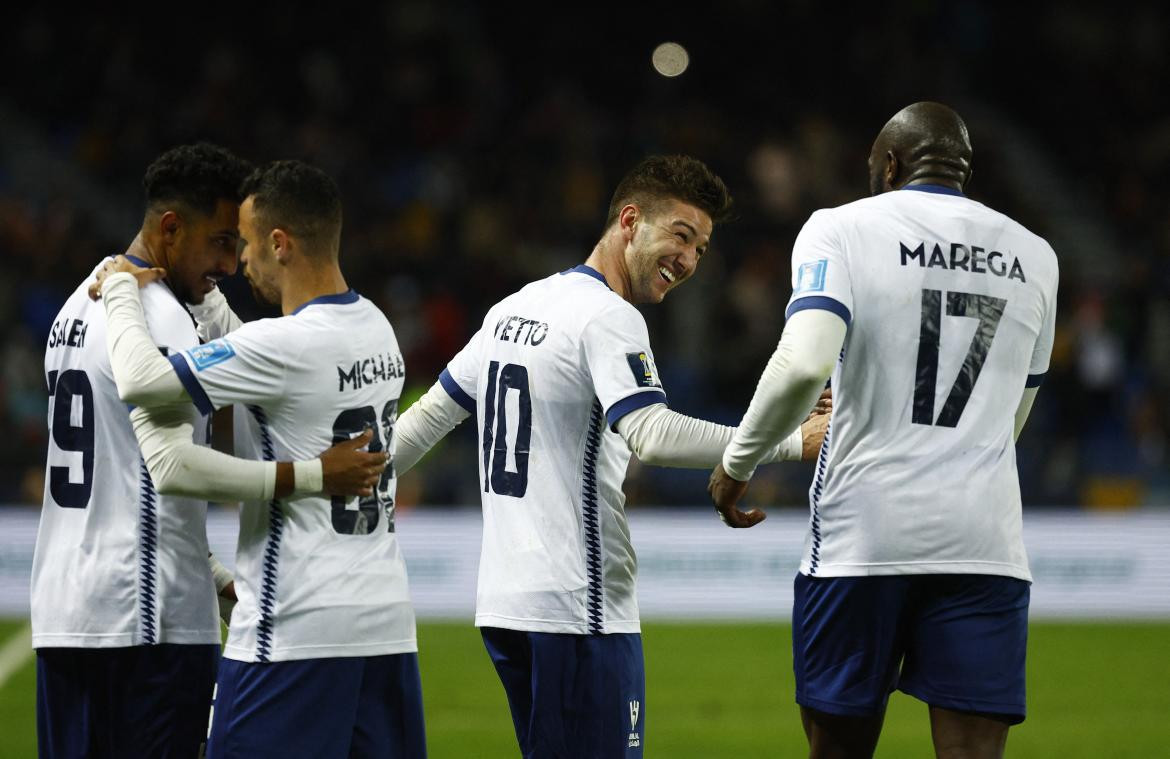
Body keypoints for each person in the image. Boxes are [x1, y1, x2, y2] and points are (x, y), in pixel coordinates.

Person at [392, 154, 827, 759]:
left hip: (505, 604)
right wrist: (788, 442)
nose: (690, 260)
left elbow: (426, 422)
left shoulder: (515, 308)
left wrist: (333, 484)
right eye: (680, 235)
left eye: (701, 248)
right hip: (579, 607)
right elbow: (650, 432)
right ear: (630, 221)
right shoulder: (608, 315)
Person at [708, 102, 1059, 759]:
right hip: (984, 540)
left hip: (863, 537)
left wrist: (740, 458)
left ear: (891, 164)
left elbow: (804, 362)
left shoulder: (838, 228)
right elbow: (1016, 412)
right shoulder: (1035, 256)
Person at [93, 159, 425, 758]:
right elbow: (250, 349)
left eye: (245, 244)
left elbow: (143, 382)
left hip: (293, 626)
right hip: (386, 626)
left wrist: (120, 284)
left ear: (279, 243)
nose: (238, 262)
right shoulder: (376, 325)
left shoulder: (281, 345)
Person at [31, 143, 254, 758]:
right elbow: (172, 469)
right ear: (171, 229)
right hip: (148, 625)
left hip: (67, 612)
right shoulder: (162, 321)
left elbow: (128, 479)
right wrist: (306, 478)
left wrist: (211, 578)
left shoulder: (76, 305)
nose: (231, 264)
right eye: (221, 242)